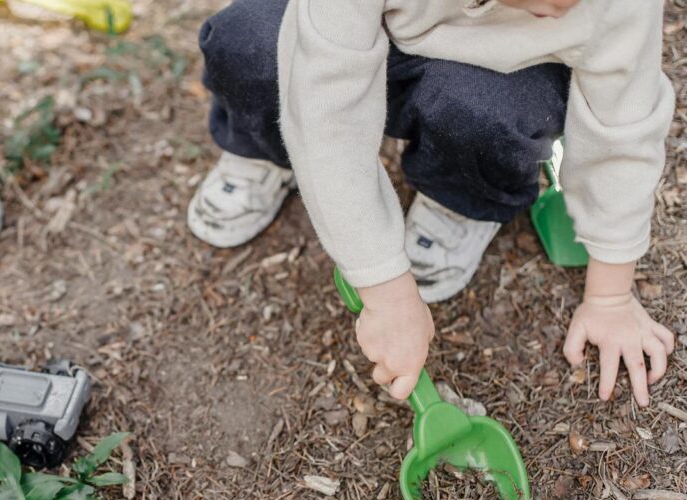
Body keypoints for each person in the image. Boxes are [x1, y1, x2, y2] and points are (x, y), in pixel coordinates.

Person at [188, 0, 676, 407]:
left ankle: (461, 192)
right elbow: (326, 112)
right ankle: (263, 144)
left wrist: (610, 296)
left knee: (492, 113)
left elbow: (623, 134)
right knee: (251, 43)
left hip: (496, 72)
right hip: (354, 27)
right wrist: (385, 287)